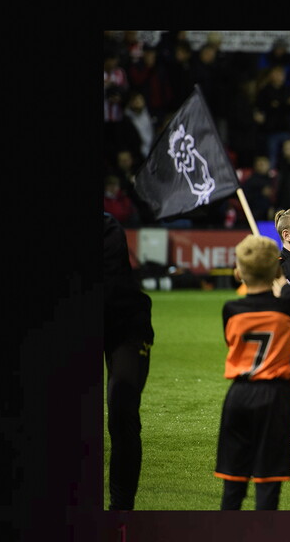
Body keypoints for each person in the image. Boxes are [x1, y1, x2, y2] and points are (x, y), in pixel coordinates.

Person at [214, 235, 290, 510]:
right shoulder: (287, 305)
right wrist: (281, 280)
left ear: (239, 272)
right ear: (277, 270)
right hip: (275, 396)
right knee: (268, 481)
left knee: (233, 480)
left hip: (239, 394)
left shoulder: (230, 309)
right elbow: (287, 295)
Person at [103, 213, 154, 510]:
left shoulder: (108, 227)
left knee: (122, 412)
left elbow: (112, 286)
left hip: (125, 325)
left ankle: (121, 512)